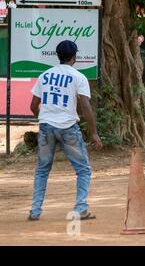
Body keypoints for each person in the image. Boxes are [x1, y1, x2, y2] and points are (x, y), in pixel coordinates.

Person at [28, 40, 103, 221]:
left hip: (46, 127)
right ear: (74, 57)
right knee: (83, 170)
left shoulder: (45, 75)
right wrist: (93, 133)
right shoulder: (78, 77)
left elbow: (33, 106)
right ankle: (81, 209)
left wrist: (46, 118)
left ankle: (35, 211)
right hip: (68, 128)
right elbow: (85, 106)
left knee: (42, 170)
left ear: (58, 56)